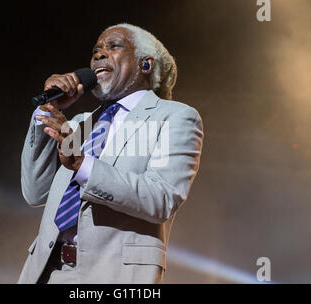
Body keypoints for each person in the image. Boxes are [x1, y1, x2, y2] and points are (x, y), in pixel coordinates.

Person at [18, 23, 203, 284]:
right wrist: (47, 110)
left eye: (114, 46)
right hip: (46, 272)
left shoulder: (174, 117)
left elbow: (161, 198)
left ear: (145, 65)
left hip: (112, 275)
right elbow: (36, 192)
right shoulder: (82, 123)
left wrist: (82, 163)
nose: (98, 55)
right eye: (96, 51)